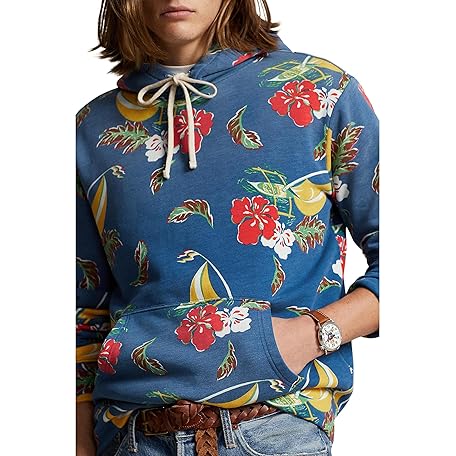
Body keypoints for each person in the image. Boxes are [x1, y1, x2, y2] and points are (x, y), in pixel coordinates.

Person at [76, 0, 379, 455]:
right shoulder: (92, 130)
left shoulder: (319, 92)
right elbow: (83, 311)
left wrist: (311, 335)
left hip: (274, 429)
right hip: (132, 437)